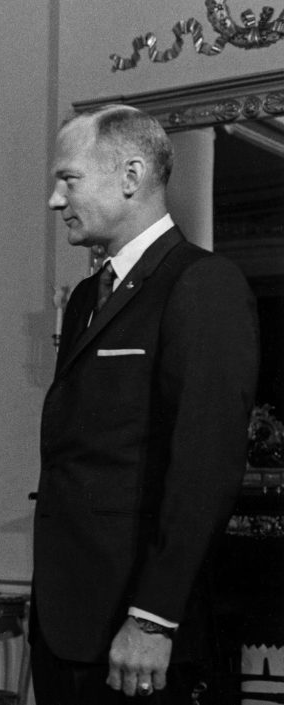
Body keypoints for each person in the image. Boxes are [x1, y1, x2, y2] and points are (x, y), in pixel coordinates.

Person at [33, 104, 260, 703]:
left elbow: (204, 469)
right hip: (66, 627)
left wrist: (153, 619)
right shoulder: (86, 296)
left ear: (130, 177)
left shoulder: (203, 286)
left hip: (135, 634)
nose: (57, 201)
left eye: (69, 179)